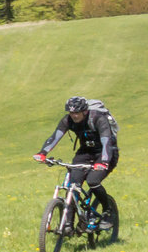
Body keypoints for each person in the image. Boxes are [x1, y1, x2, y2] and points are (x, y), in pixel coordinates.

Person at [34, 96, 119, 231]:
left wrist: (103, 161)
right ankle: (68, 225)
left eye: (76, 113)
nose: (73, 116)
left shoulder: (98, 119)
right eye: (71, 113)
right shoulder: (68, 120)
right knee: (73, 185)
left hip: (105, 154)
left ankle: (108, 211)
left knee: (93, 181)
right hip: (85, 153)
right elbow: (55, 136)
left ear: (85, 111)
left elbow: (106, 142)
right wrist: (43, 153)